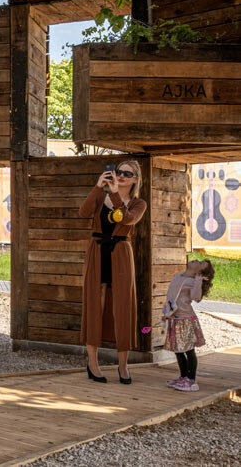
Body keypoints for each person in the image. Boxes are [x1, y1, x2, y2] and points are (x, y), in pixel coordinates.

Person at [79, 159, 147, 384]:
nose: (122, 176)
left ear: (135, 179)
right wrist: (98, 187)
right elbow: (83, 212)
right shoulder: (100, 196)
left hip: (120, 254)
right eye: (118, 172)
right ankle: (93, 363)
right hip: (97, 252)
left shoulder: (139, 203)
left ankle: (123, 366)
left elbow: (128, 219)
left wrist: (116, 194)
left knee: (122, 307)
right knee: (94, 305)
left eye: (128, 173)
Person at [164, 258, 214, 392]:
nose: (197, 260)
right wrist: (166, 313)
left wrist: (198, 281)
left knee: (188, 350)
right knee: (178, 350)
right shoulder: (177, 277)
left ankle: (191, 381)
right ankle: (183, 377)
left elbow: (196, 297)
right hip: (174, 318)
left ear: (200, 272)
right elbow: (170, 296)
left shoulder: (193, 281)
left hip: (186, 320)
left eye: (201, 263)